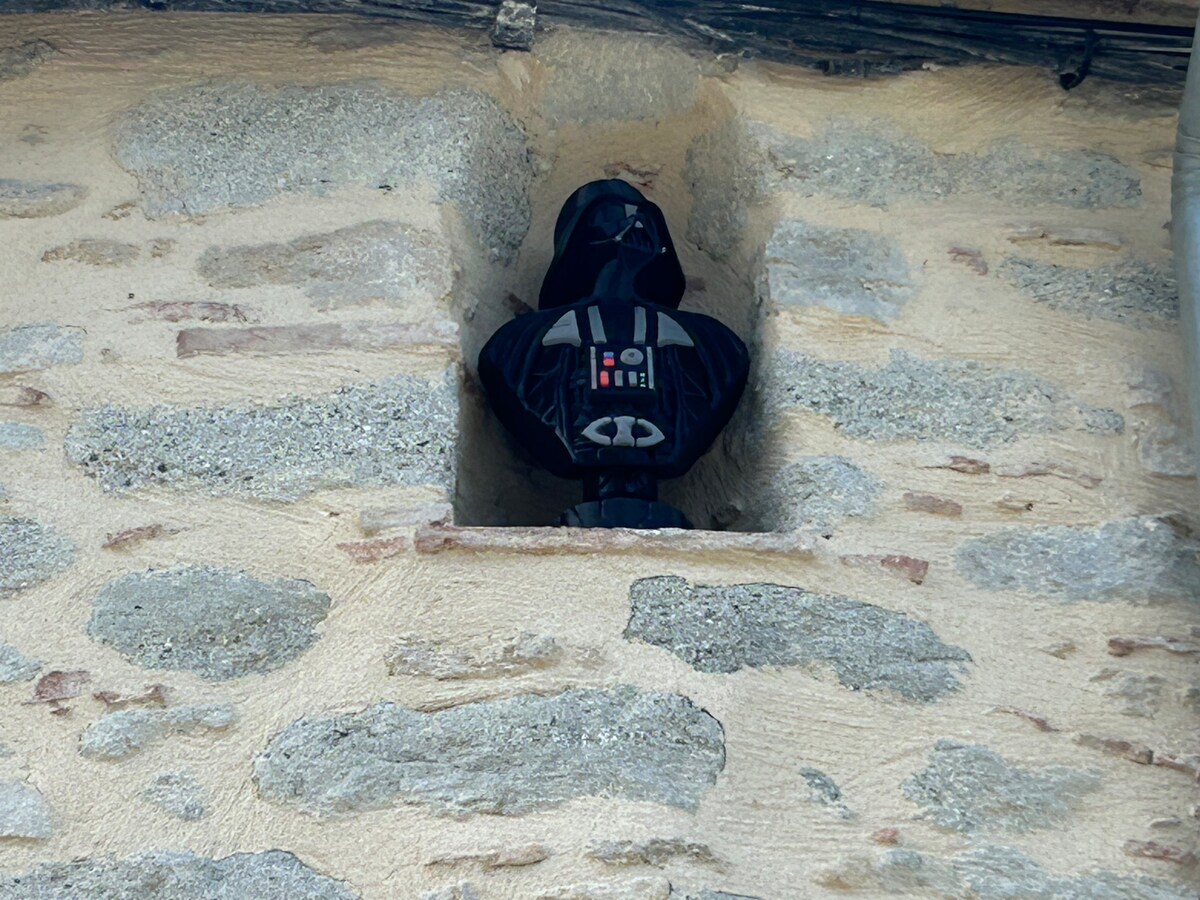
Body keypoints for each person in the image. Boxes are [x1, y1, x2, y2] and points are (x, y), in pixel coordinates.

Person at [479, 179, 749, 528]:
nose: (633, 225)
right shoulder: (516, 347)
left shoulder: (716, 347)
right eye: (611, 217)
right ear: (578, 238)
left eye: (644, 217)